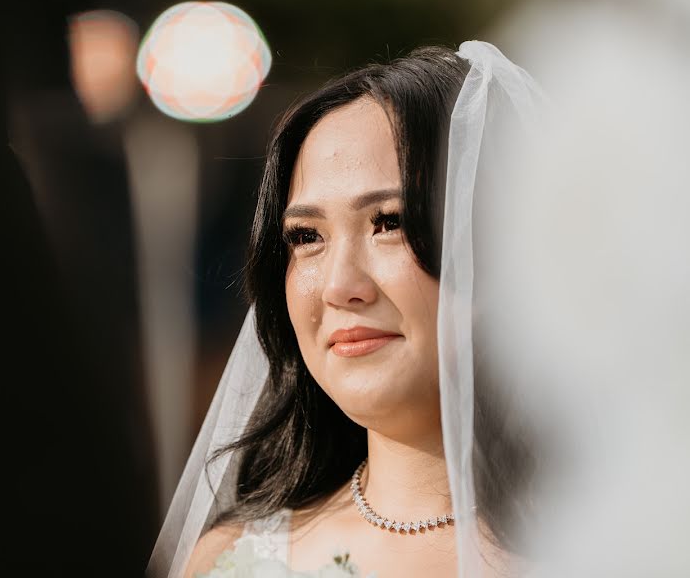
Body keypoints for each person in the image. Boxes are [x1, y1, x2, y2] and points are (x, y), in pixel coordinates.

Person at [148, 42, 544, 578]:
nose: (340, 286)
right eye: (307, 236)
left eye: (389, 222)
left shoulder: (621, 543)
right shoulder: (230, 562)